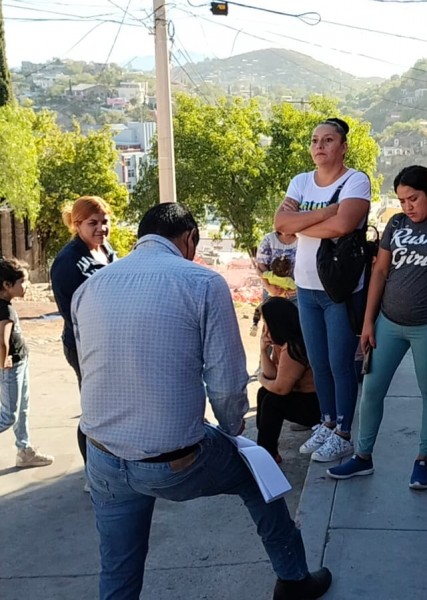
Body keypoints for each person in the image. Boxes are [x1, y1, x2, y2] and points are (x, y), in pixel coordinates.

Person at [73, 203, 331, 600]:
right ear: (190, 238)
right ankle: (294, 579)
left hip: (101, 455)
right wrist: (232, 434)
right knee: (257, 476)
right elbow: (227, 386)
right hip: (173, 459)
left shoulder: (90, 288)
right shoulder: (202, 283)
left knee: (118, 567)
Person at [326, 166, 427, 488]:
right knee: (373, 391)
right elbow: (379, 273)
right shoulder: (396, 223)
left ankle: (423, 460)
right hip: (388, 322)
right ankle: (363, 457)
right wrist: (368, 323)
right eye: (402, 200)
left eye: (414, 198)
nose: (408, 206)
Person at [274, 117, 372, 463]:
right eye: (315, 140)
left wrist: (304, 222)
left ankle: (344, 432)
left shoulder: (355, 180)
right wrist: (327, 214)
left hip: (339, 289)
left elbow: (345, 225)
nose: (319, 146)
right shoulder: (301, 181)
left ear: (343, 146)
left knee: (340, 363)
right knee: (317, 361)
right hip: (306, 286)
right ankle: (327, 422)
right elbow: (280, 224)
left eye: (328, 140)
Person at [50, 196, 116, 469]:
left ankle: (112, 461)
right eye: (93, 223)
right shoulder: (68, 263)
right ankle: (94, 470)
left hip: (109, 340)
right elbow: (73, 315)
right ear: (77, 225)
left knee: (112, 406)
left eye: (105, 221)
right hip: (85, 346)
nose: (101, 228)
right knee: (94, 410)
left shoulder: (105, 249)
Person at [0, 258, 53, 469]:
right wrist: (4, 363)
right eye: (23, 281)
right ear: (7, 285)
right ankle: (24, 449)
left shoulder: (6, 306)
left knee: (22, 409)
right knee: (8, 416)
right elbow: (2, 341)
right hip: (11, 368)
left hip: (19, 362)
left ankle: (25, 451)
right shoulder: (5, 310)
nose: (27, 286)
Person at [256, 297, 320, 463]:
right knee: (264, 393)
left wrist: (260, 378)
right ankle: (265, 447)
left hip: (315, 405)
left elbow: (280, 388)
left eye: (267, 323)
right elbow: (272, 376)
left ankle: (266, 453)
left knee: (272, 401)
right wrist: (263, 350)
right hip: (302, 397)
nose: (265, 328)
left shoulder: (294, 346)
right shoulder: (281, 342)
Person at [250, 230, 298, 336]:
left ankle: (255, 323)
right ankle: (266, 348)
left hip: (276, 296)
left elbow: (261, 272)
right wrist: (269, 287)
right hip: (276, 293)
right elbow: (261, 265)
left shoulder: (270, 275)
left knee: (277, 325)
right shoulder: (269, 239)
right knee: (273, 326)